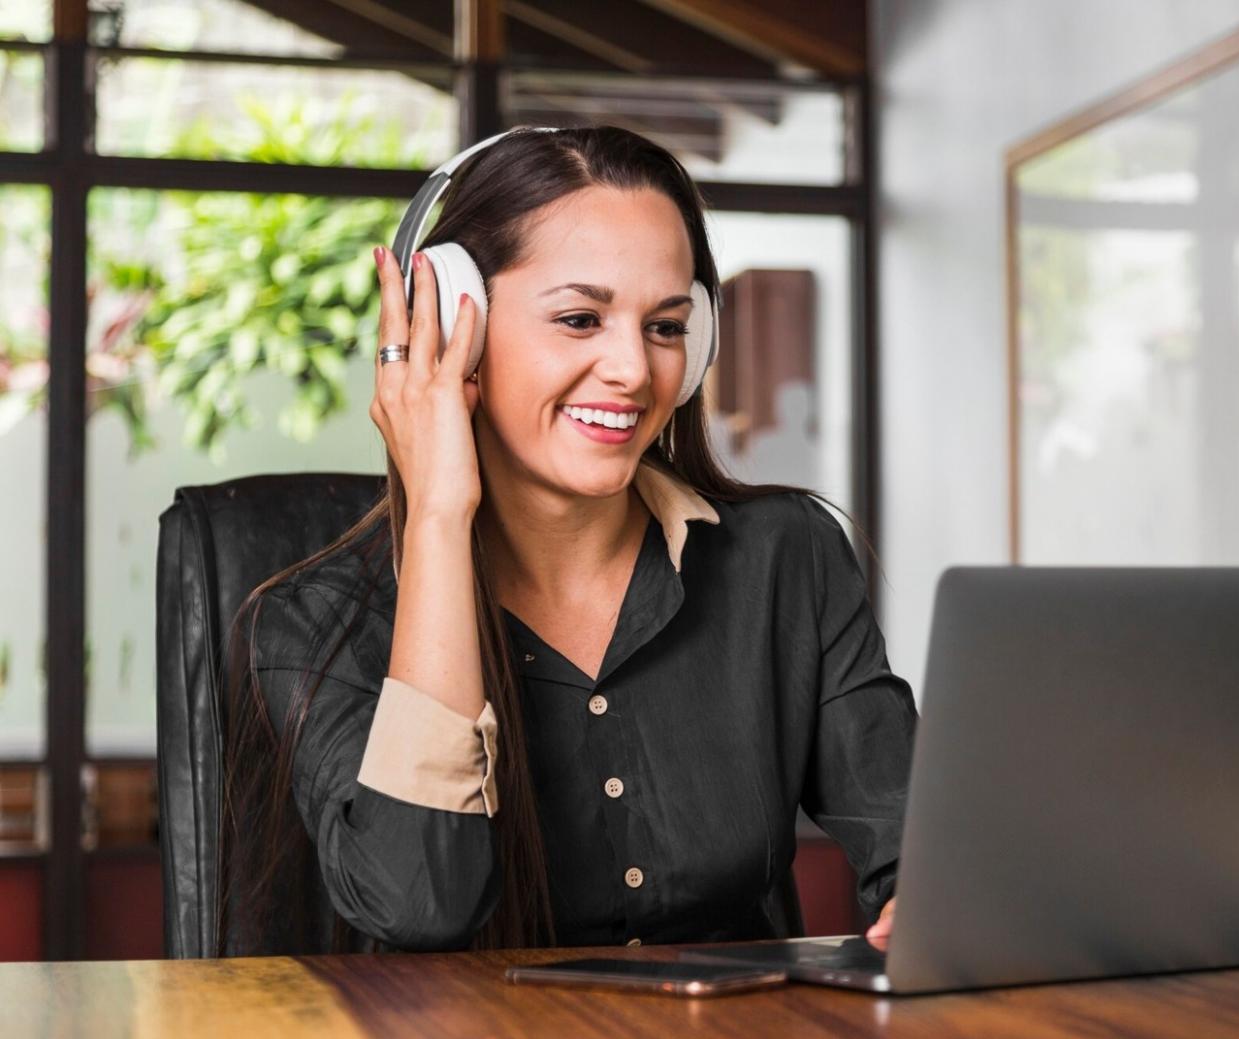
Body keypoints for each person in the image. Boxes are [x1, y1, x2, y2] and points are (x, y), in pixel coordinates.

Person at [216, 125, 916, 955]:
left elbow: (917, 838)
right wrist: (438, 515)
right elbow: (420, 904)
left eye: (664, 326)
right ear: (448, 327)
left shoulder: (785, 556)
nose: (633, 370)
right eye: (581, 319)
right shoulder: (315, 624)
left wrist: (929, 902)